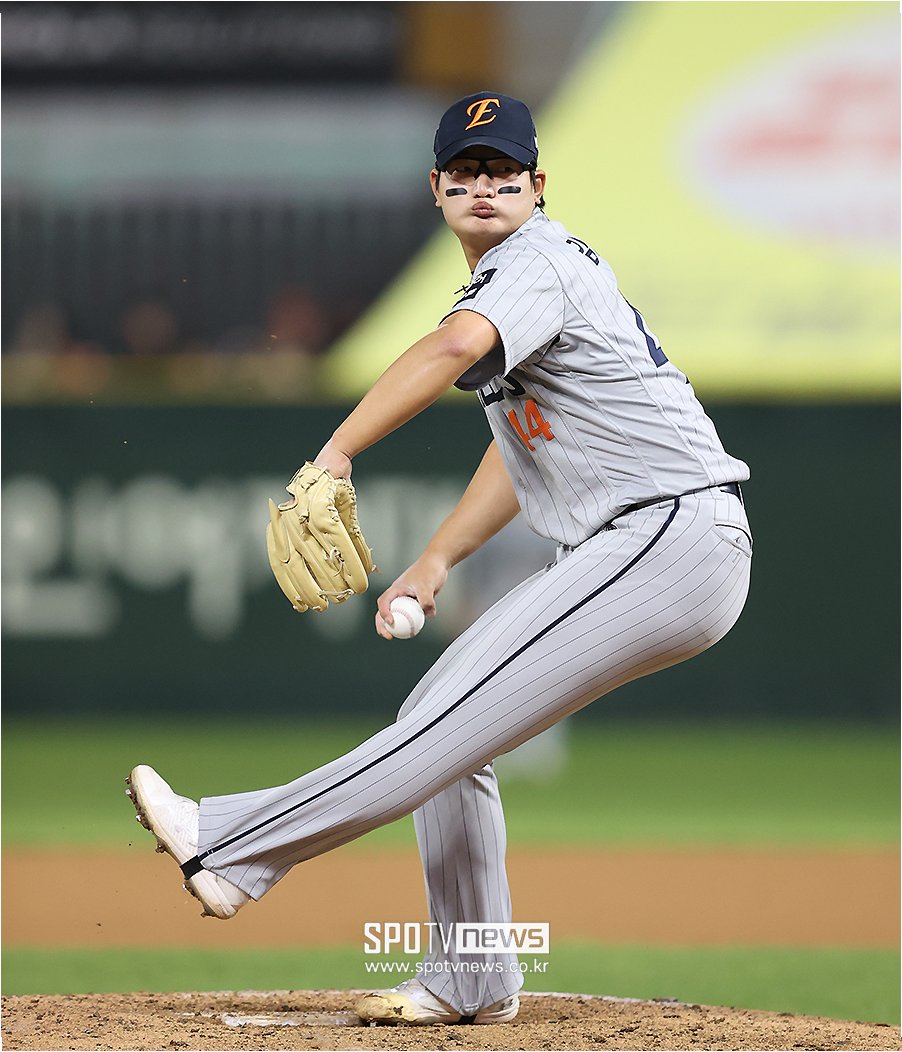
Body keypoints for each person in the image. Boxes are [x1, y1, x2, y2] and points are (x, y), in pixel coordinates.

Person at [127, 92, 752, 1026]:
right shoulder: (515, 285)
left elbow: (455, 346)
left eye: (504, 170)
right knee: (444, 721)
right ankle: (472, 974)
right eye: (467, 170)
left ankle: (231, 842)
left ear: (537, 185)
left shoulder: (533, 261)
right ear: (437, 188)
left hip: (669, 535)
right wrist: (435, 561)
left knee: (439, 726)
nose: (485, 185)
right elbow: (518, 451)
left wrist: (336, 452)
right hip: (654, 543)